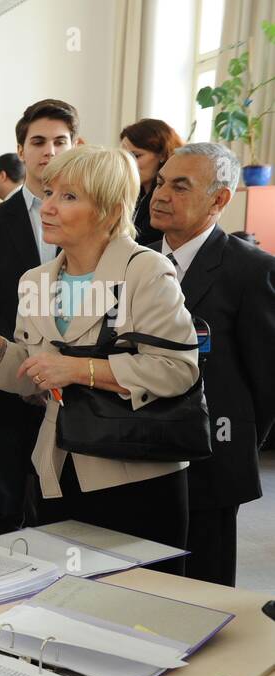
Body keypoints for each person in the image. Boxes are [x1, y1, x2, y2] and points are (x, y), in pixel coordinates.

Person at [0, 145, 199, 572]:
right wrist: (2, 354)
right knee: (63, 605)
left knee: (136, 612)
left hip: (135, 474)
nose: (47, 207)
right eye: (49, 193)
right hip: (55, 469)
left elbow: (178, 370)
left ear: (108, 210)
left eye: (68, 197)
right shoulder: (36, 280)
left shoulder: (146, 271)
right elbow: (37, 374)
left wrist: (82, 369)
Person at [149, 142, 275, 586]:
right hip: (137, 456)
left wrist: (235, 438)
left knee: (204, 590)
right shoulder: (132, 261)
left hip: (212, 462)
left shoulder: (251, 271)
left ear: (220, 199)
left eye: (180, 187)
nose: (161, 194)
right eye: (161, 181)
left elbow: (266, 381)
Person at [0, 98, 78, 533]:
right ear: (22, 150)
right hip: (6, 384)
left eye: (60, 141)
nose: (50, 151)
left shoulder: (96, 219)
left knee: (63, 515)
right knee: (2, 511)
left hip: (76, 390)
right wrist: (24, 369)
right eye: (39, 141)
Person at [120, 118, 183, 248]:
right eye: (124, 156)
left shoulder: (168, 199)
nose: (127, 164)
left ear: (163, 155)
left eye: (136, 156)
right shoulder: (136, 193)